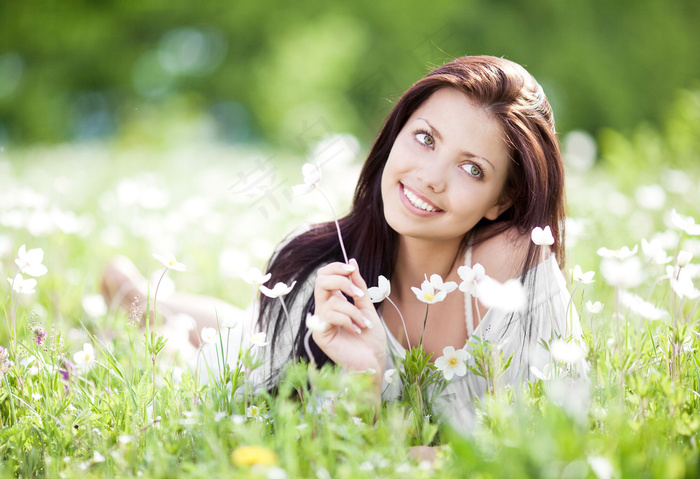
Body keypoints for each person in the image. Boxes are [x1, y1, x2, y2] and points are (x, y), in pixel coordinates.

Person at [103, 55, 582, 435]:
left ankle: (140, 295)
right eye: (424, 138)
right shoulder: (324, 273)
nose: (430, 177)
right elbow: (310, 448)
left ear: (502, 201)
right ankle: (135, 296)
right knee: (227, 339)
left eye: (471, 168)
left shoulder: (514, 268)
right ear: (397, 133)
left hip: (275, 327)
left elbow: (554, 444)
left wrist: (371, 388)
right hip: (263, 351)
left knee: (235, 324)